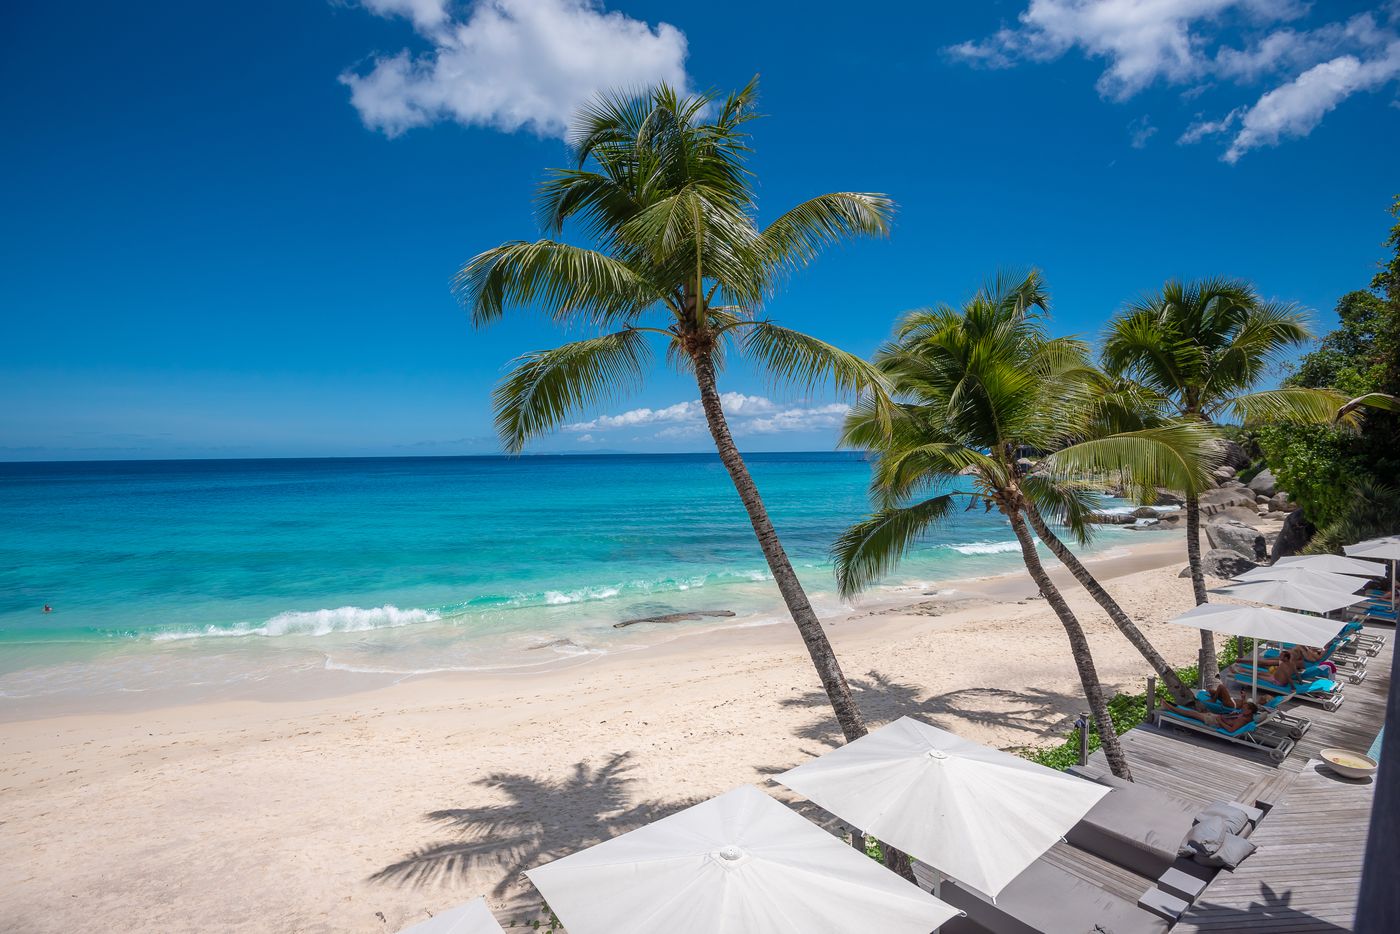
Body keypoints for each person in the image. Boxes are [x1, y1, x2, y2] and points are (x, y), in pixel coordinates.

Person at [1173, 700, 1259, 732]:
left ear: (1249, 711)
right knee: (1194, 712)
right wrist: (1233, 714)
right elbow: (1234, 719)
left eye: (1244, 709)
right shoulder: (1247, 716)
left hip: (1216, 722)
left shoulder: (1243, 720)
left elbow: (1231, 730)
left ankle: (1170, 708)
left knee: (1192, 713)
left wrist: (1220, 721)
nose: (1242, 710)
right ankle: (1173, 707)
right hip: (1218, 717)